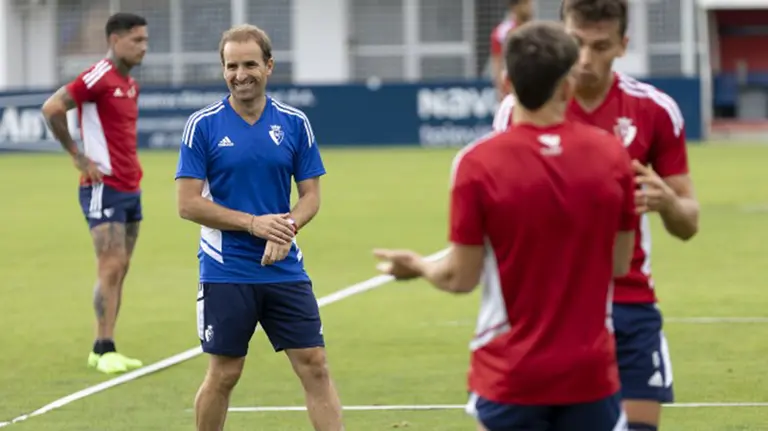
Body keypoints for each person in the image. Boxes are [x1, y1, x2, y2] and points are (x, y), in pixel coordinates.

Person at [375, 20, 636, 431]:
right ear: (567, 85)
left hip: (510, 372)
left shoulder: (477, 164)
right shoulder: (612, 156)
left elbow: (460, 277)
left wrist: (419, 266)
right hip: (589, 372)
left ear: (507, 82)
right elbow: (620, 263)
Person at [492, 1, 701, 429]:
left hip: (630, 303)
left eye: (601, 46)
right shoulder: (519, 111)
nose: (585, 59)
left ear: (623, 45)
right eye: (577, 43)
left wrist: (667, 203)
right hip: (550, 311)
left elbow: (689, 223)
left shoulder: (654, 110)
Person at [174, 24, 344, 431]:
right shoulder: (203, 125)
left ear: (269, 66)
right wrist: (254, 225)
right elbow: (187, 204)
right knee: (225, 372)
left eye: (250, 64)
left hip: (284, 267)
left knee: (315, 365)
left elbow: (311, 197)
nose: (240, 75)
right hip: (225, 268)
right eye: (231, 66)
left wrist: (286, 228)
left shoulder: (294, 122)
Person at [41, 12, 149, 375]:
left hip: (131, 185)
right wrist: (77, 155)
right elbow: (52, 108)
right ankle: (103, 348)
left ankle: (107, 346)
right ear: (115, 40)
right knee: (110, 266)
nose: (144, 47)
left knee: (122, 268)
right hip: (104, 186)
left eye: (145, 40)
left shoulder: (130, 84)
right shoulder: (98, 77)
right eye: (137, 40)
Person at [489, 0, 534, 99]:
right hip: (511, 90)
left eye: (530, 3)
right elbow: (497, 62)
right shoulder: (502, 32)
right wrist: (500, 89)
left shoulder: (536, 30)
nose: (530, 7)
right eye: (525, 3)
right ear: (515, 7)